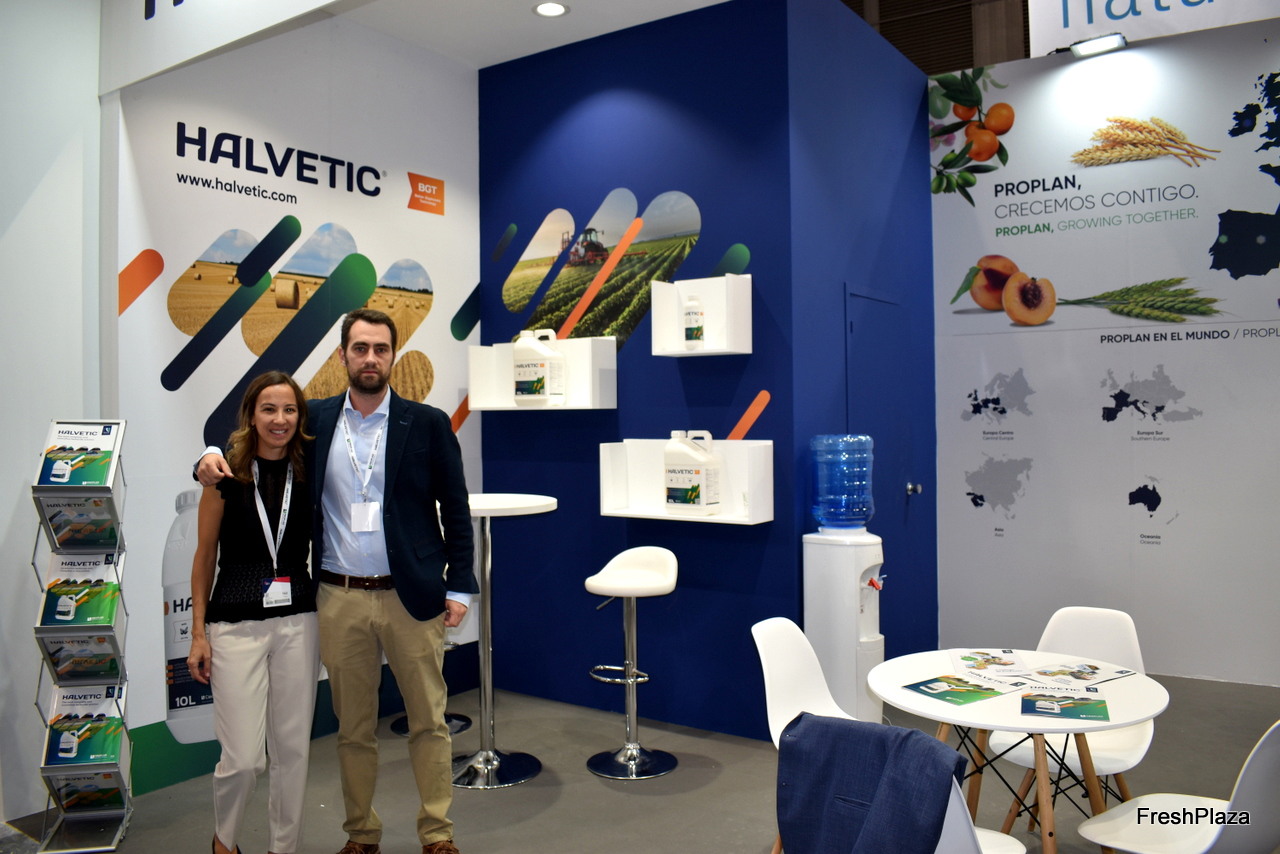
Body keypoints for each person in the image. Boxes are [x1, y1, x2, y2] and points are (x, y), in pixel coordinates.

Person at [198, 309, 475, 854]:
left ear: (392, 356)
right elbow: (257, 441)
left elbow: (456, 510)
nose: (370, 358)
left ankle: (437, 833)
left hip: (411, 596)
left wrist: (459, 586)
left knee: (428, 722)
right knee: (354, 729)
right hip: (338, 596)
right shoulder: (316, 421)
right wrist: (207, 454)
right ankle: (361, 834)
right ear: (343, 355)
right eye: (360, 348)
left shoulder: (427, 423)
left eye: (380, 349)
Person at [189, 370, 319, 854]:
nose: (279, 419)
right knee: (244, 758)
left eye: (289, 410)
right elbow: (204, 556)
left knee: (293, 752)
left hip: (299, 623)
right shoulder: (224, 475)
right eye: (269, 409)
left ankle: (283, 848)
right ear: (251, 415)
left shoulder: (310, 471)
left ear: (300, 417)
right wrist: (198, 633)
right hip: (234, 626)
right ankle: (225, 841)